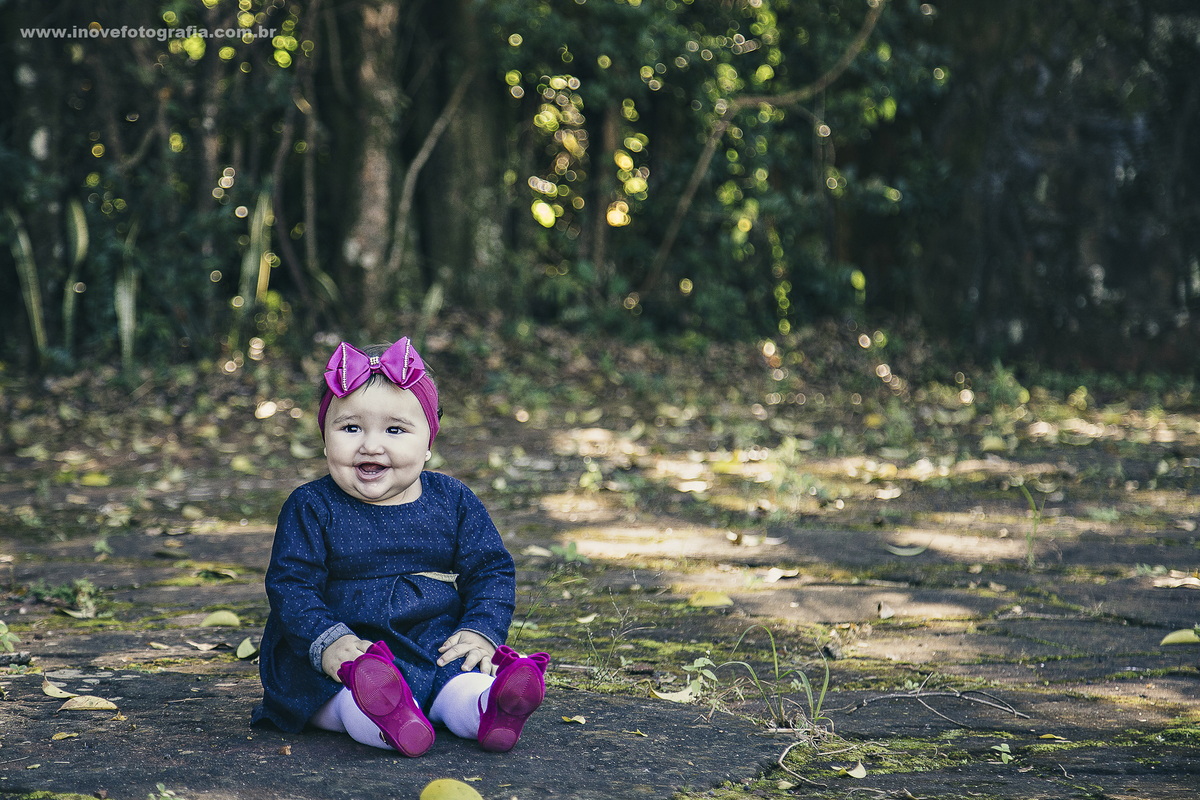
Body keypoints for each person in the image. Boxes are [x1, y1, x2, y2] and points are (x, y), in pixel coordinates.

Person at [250, 337, 547, 756]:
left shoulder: (452, 500)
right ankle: (386, 717)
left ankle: (490, 707)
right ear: (325, 439)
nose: (371, 445)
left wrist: (479, 630)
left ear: (428, 444)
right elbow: (291, 584)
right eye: (351, 428)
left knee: (460, 678)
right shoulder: (312, 506)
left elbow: (491, 570)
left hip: (429, 638)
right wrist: (327, 641)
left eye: (394, 430)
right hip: (346, 646)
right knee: (343, 696)